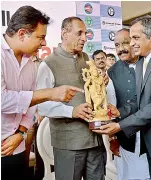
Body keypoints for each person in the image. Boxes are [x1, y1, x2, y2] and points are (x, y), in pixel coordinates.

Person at [1, 6, 83, 180]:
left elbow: (31, 105)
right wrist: (49, 93)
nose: (44, 43)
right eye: (41, 37)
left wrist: (21, 133)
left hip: (17, 144)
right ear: (22, 34)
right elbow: (2, 100)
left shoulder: (30, 64)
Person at [37, 17, 107, 180]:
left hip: (95, 139)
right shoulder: (48, 64)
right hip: (68, 144)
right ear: (64, 33)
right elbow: (41, 105)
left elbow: (95, 90)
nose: (84, 38)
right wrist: (72, 111)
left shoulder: (87, 59)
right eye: (79, 33)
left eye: (86, 33)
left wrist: (102, 82)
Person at [93, 15, 151, 180]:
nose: (130, 44)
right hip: (140, 143)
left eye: (134, 38)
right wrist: (118, 113)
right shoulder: (144, 62)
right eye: (128, 40)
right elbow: (139, 99)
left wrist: (119, 126)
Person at [108, 28, 150, 180]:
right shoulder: (112, 72)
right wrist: (112, 139)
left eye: (125, 43)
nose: (121, 49)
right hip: (125, 139)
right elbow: (110, 106)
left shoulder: (149, 65)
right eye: (117, 45)